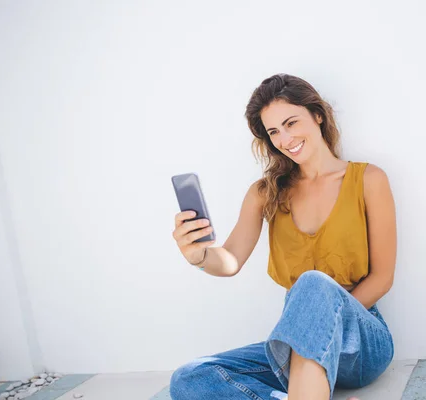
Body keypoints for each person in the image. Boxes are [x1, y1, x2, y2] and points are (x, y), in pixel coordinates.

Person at [169, 73, 398, 400]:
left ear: (317, 115)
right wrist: (200, 257)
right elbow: (230, 259)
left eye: (291, 123)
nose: (284, 138)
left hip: (360, 340)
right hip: (296, 339)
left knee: (312, 284)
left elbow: (382, 277)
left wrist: (325, 320)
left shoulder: (369, 179)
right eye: (274, 131)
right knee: (190, 378)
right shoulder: (265, 193)